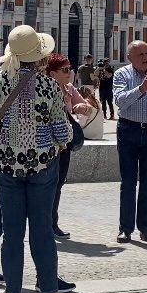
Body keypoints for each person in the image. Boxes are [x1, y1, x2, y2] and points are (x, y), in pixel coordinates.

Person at [0, 25, 70, 293]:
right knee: (42, 231)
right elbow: (63, 134)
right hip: (43, 167)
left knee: (12, 232)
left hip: (7, 166)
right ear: (38, 56)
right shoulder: (49, 86)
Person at [112, 40, 147, 242]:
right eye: (140, 55)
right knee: (128, 182)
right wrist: (142, 88)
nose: (145, 58)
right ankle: (125, 228)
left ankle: (145, 226)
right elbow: (120, 101)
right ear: (129, 58)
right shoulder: (121, 75)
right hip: (128, 130)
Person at [46, 53, 93, 239]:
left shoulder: (68, 88)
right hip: (44, 146)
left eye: (70, 69)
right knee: (43, 186)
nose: (69, 73)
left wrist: (84, 107)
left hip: (63, 145)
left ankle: (52, 223)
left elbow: (86, 106)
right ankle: (41, 223)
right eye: (65, 70)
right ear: (52, 73)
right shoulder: (42, 89)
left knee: (57, 184)